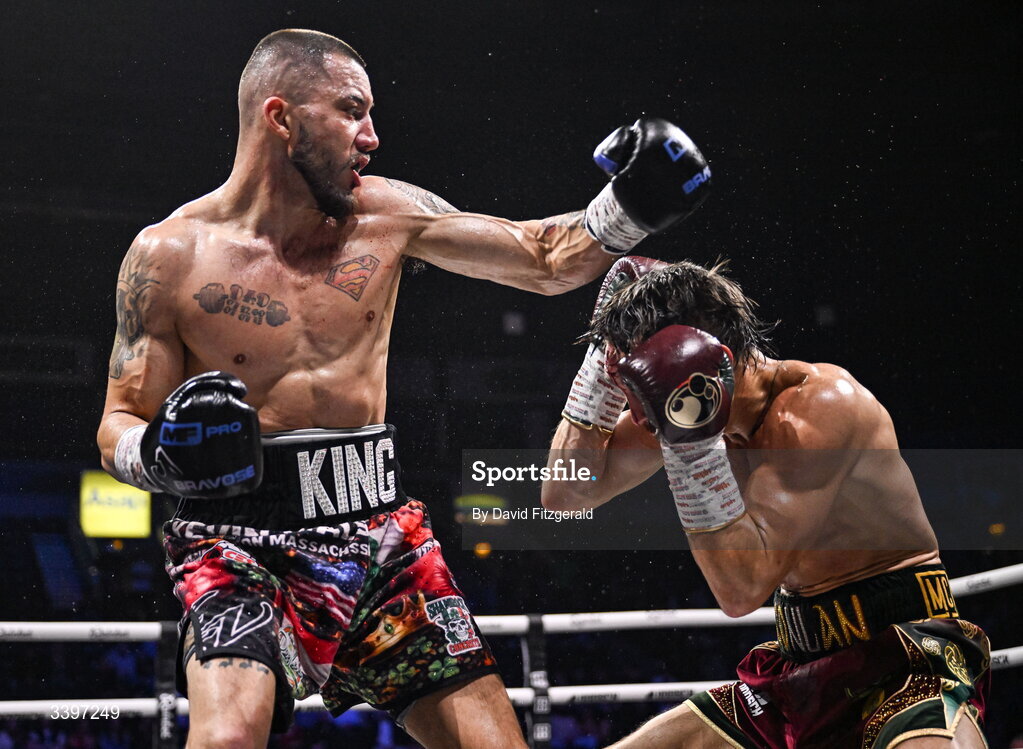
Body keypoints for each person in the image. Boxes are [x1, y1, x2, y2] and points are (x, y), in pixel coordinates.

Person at [95, 28, 712, 749]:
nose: (372, 136)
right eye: (352, 110)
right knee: (227, 736)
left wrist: (631, 205)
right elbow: (117, 422)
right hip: (236, 543)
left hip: (380, 536)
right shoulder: (168, 254)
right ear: (280, 116)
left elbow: (544, 258)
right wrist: (160, 456)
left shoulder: (383, 213)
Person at [542, 258, 990, 748]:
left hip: (903, 660)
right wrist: (597, 371)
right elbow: (565, 494)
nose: (636, 415)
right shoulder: (690, 400)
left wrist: (691, 445)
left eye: (637, 387)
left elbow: (741, 589)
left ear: (703, 366)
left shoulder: (821, 408)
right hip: (796, 669)